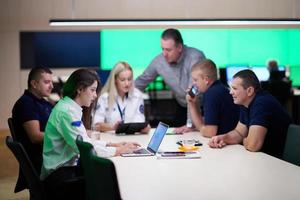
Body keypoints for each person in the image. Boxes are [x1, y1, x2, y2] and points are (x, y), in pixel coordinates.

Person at [40, 69, 140, 199]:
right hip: (60, 177)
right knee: (109, 180)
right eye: (92, 90)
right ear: (80, 89)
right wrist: (118, 150)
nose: (95, 96)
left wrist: (112, 144)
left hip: (65, 170)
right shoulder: (67, 112)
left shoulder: (69, 107)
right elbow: (86, 148)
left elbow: (85, 140)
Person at [209, 69, 292, 158]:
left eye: (235, 88)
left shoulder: (261, 103)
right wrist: (223, 138)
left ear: (249, 91)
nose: (230, 92)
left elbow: (253, 145)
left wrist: (244, 140)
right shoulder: (246, 103)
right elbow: (239, 133)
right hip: (267, 157)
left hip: (283, 161)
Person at [135, 28, 205, 128]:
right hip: (181, 106)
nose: (164, 53)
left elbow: (193, 93)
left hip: (201, 106)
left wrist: (190, 124)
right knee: (178, 135)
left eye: (168, 50)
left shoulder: (195, 57)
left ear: (180, 47)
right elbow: (141, 82)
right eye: (162, 49)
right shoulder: (159, 61)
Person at [12, 67, 54, 192]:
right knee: (84, 167)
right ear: (34, 84)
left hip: (48, 155)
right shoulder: (26, 103)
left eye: (52, 82)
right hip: (41, 161)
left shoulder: (44, 102)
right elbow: (35, 136)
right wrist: (62, 136)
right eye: (47, 82)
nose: (51, 86)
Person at [186, 59, 239, 137]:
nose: (194, 83)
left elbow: (210, 132)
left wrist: (200, 128)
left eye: (195, 80)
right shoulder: (219, 88)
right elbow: (207, 123)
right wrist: (192, 103)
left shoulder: (211, 94)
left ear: (206, 79)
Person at [93, 61, 150, 133]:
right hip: (111, 139)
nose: (127, 84)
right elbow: (96, 125)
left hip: (133, 138)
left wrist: (144, 129)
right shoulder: (104, 98)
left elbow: (140, 121)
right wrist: (113, 127)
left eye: (129, 79)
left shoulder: (137, 96)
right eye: (122, 80)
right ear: (115, 80)